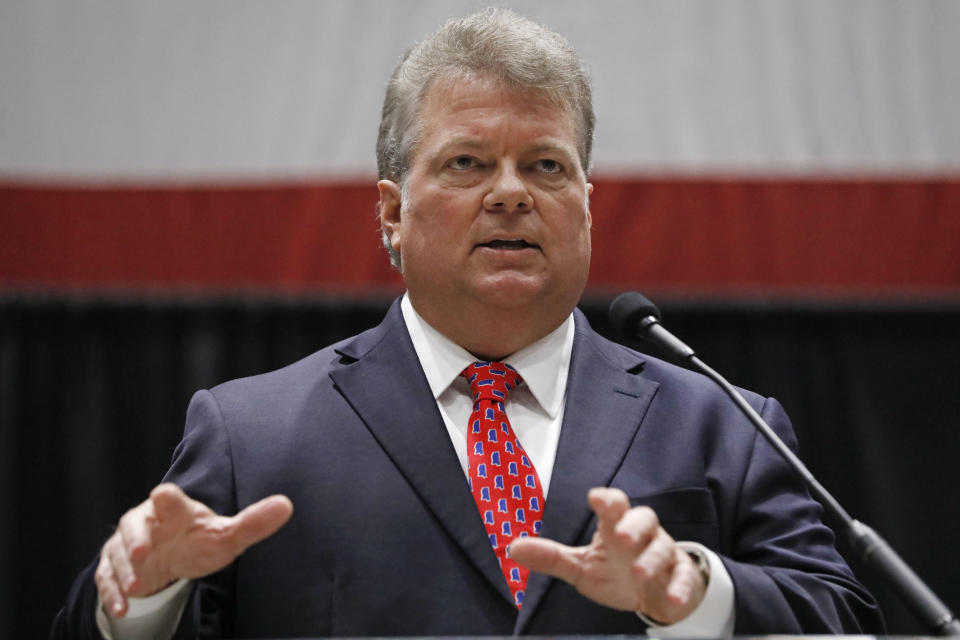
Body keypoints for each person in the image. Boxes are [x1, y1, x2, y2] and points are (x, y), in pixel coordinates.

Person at [53, 8, 882, 638]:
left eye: (547, 165)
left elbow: (842, 613)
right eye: (468, 163)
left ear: (587, 205)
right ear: (391, 213)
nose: (512, 192)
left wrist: (700, 594)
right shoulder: (253, 434)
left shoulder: (723, 424)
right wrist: (144, 603)